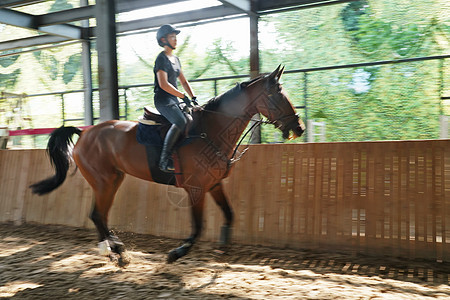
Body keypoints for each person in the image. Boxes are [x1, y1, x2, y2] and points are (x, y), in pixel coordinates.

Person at [153, 24, 197, 172]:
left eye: (175, 37)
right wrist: (183, 96)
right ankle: (164, 161)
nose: (175, 40)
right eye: (172, 37)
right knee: (180, 121)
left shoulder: (176, 59)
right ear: (163, 40)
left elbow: (183, 81)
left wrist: (193, 96)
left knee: (192, 118)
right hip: (163, 100)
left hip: (175, 99)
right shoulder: (161, 58)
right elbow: (164, 84)